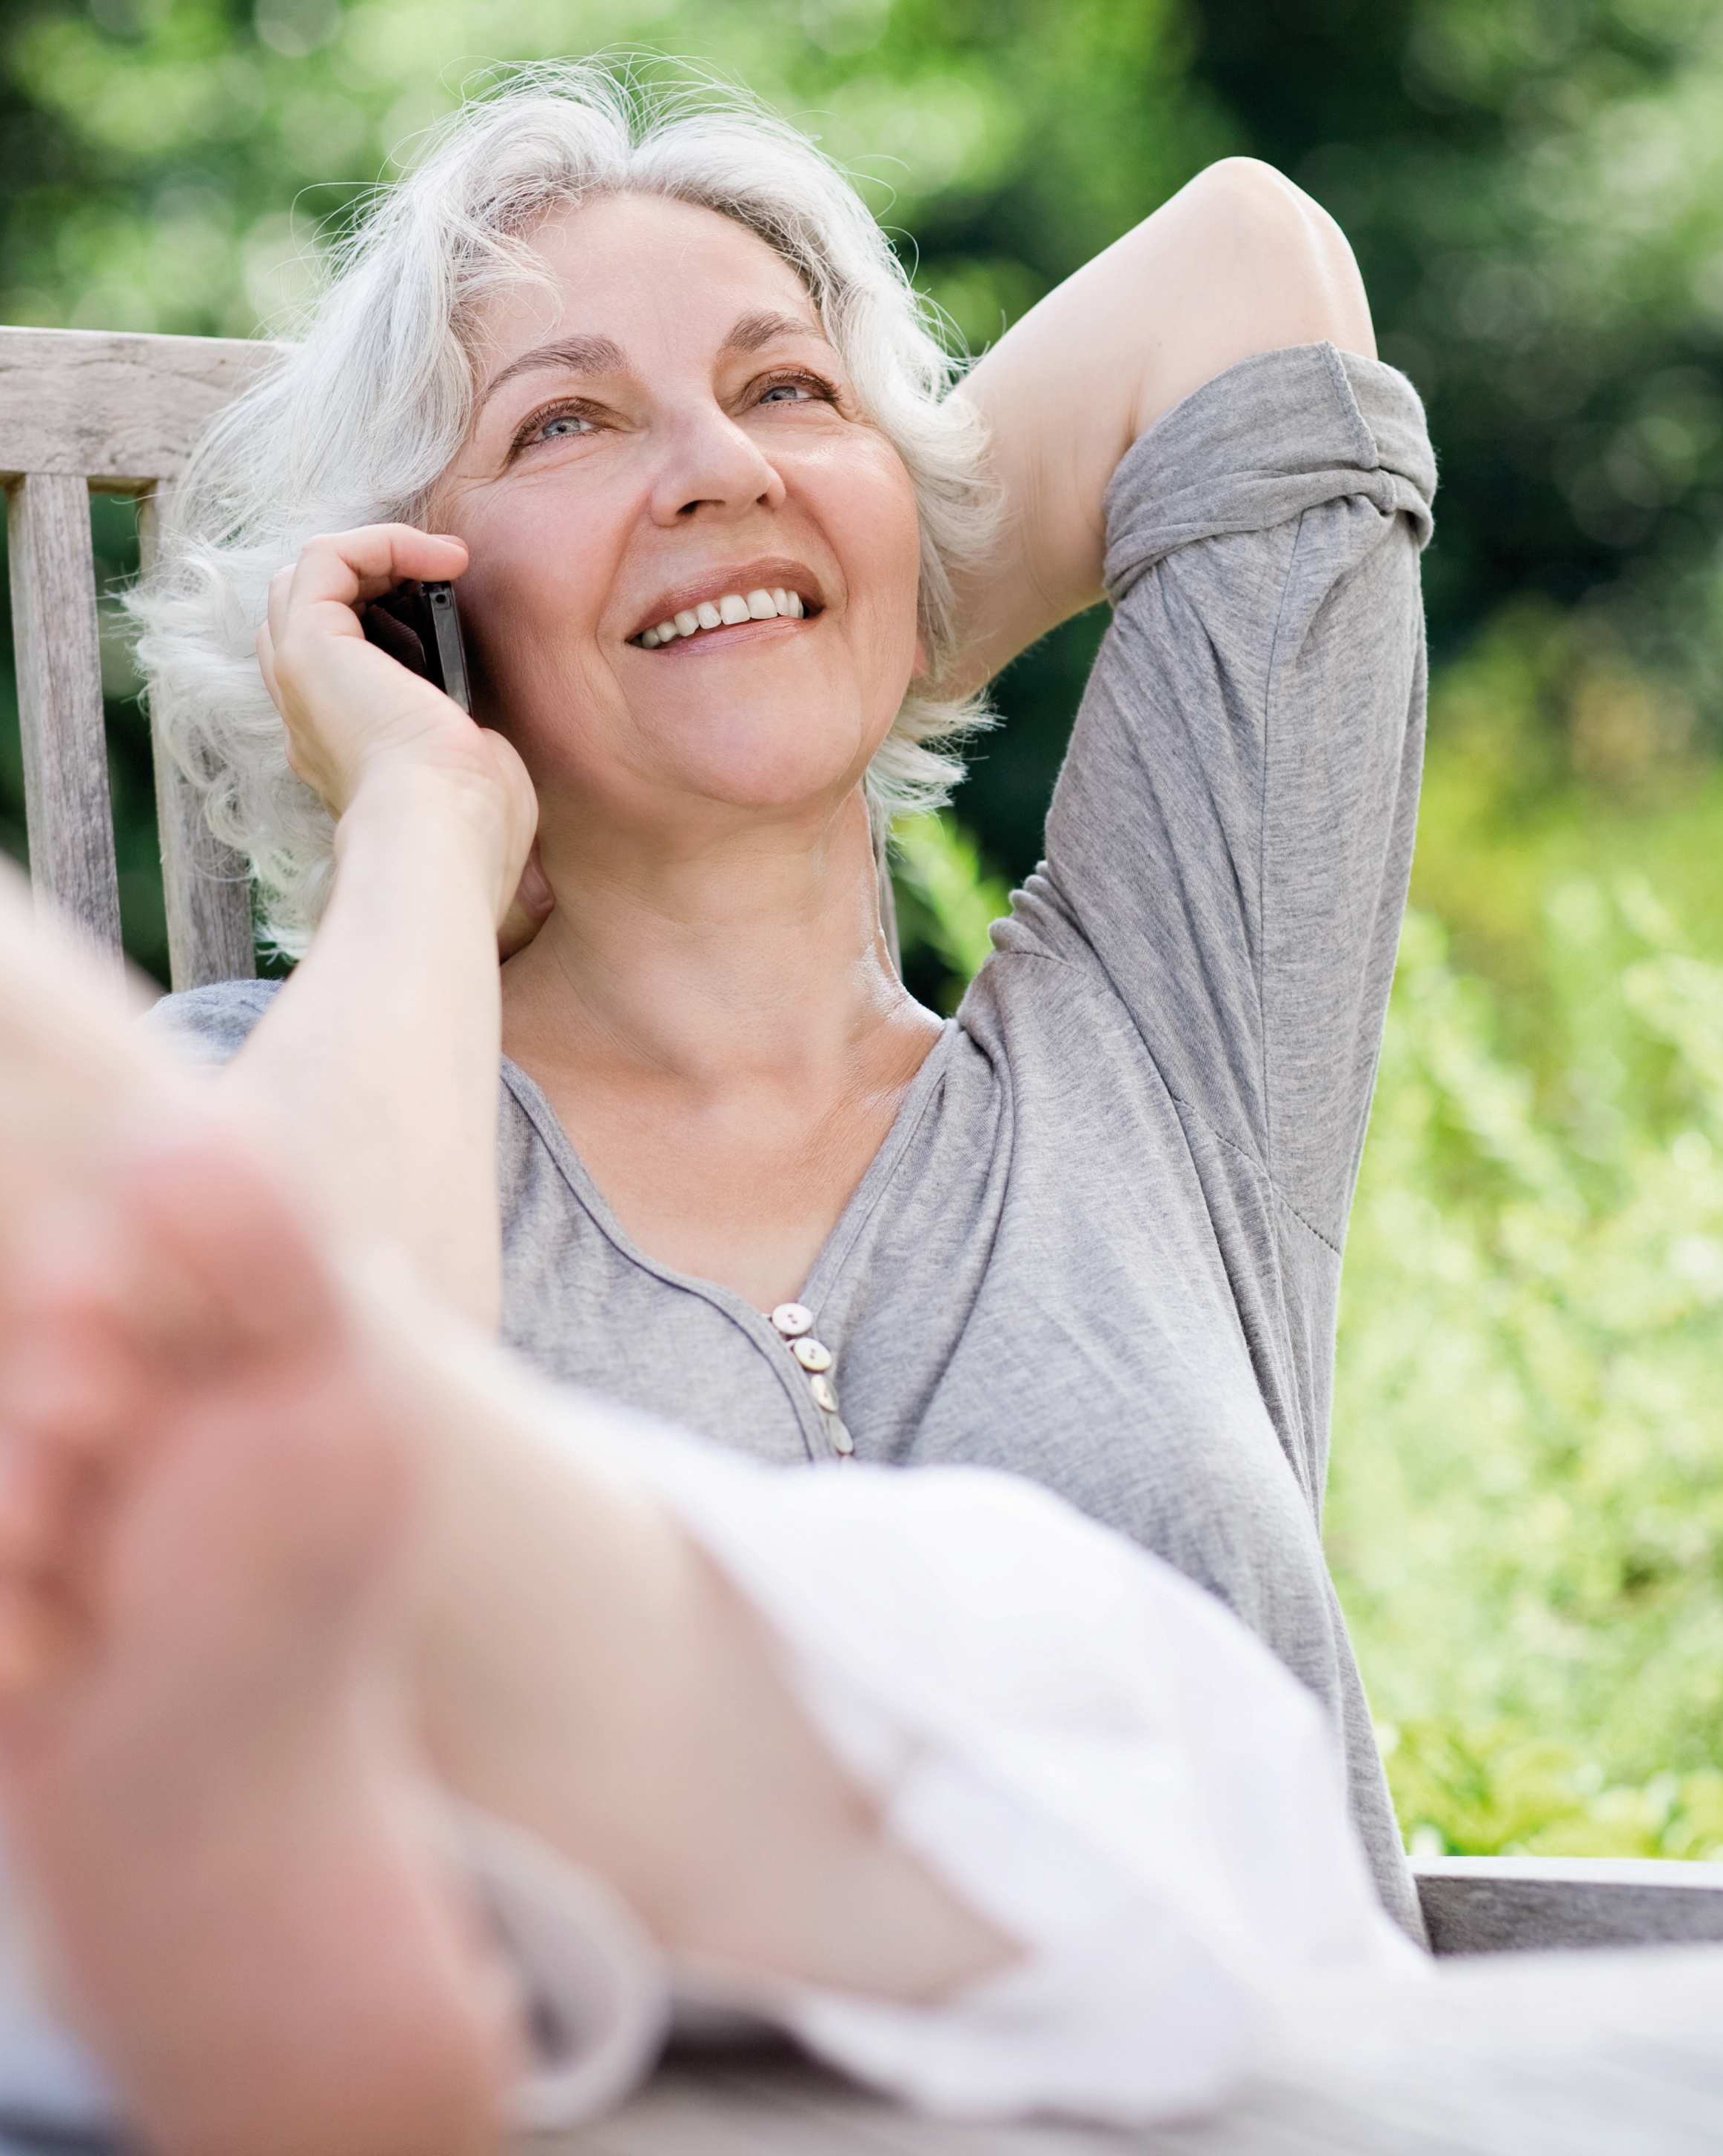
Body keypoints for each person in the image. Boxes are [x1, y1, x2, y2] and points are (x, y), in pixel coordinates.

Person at [136, 66, 1436, 1937]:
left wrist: (824, 601)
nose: (720, 462)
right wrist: (434, 809)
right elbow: (279, 1565)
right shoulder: (256, 1103)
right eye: (565, 421)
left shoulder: (1164, 1053)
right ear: (407, 613)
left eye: (787, 390)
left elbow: (1247, 268)